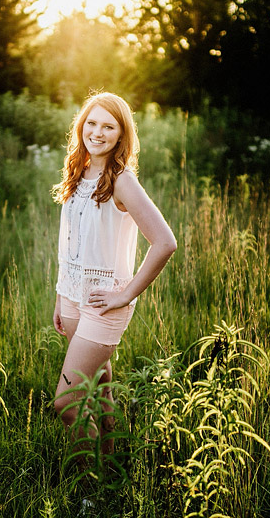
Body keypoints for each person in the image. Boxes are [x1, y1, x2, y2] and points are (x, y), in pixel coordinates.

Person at [52, 92, 177, 460]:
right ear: (81, 126)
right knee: (102, 389)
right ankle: (117, 469)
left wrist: (125, 295)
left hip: (105, 304)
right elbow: (69, 242)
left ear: (122, 135)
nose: (98, 132)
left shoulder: (122, 180)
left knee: (68, 403)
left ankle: (90, 492)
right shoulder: (78, 170)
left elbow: (165, 243)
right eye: (91, 123)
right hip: (75, 296)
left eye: (109, 126)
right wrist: (61, 296)